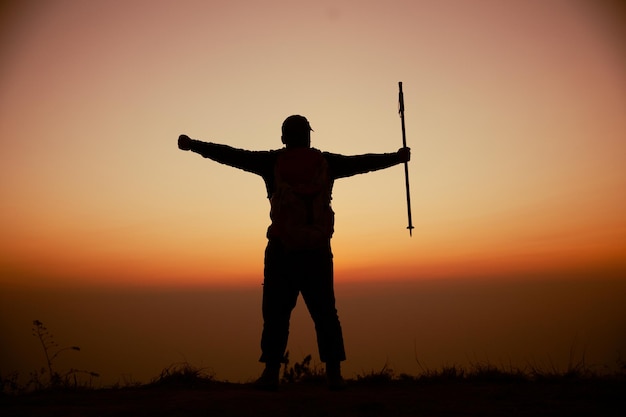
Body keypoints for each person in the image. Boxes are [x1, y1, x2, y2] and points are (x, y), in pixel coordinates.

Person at [178, 115, 410, 390]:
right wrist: (396, 157)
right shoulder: (327, 163)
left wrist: (194, 145)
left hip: (281, 250)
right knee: (325, 313)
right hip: (318, 251)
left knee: (276, 313)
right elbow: (362, 163)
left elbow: (231, 155)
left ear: (283, 137)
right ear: (309, 136)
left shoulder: (271, 162)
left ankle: (271, 374)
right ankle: (334, 375)